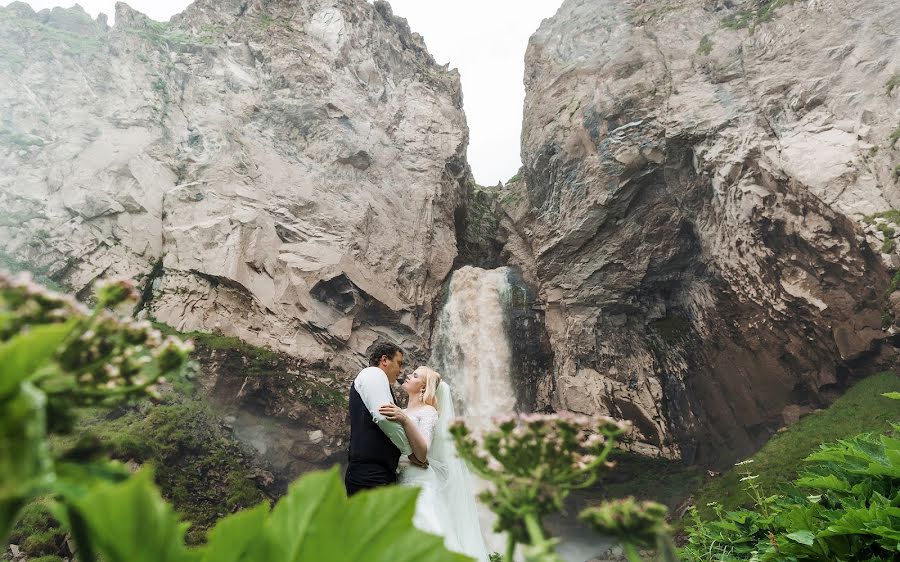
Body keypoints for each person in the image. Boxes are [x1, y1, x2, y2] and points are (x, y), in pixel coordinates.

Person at [379, 366, 489, 561]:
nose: (408, 376)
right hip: (399, 479)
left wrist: (405, 420)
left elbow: (423, 452)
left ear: (423, 387)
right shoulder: (401, 410)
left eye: (415, 375)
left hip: (419, 482)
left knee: (428, 534)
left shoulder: (428, 411)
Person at [344, 341, 427, 496]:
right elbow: (384, 418)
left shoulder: (378, 380)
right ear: (384, 360)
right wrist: (409, 452)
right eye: (399, 363)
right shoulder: (373, 374)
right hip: (370, 475)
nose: (401, 371)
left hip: (376, 473)